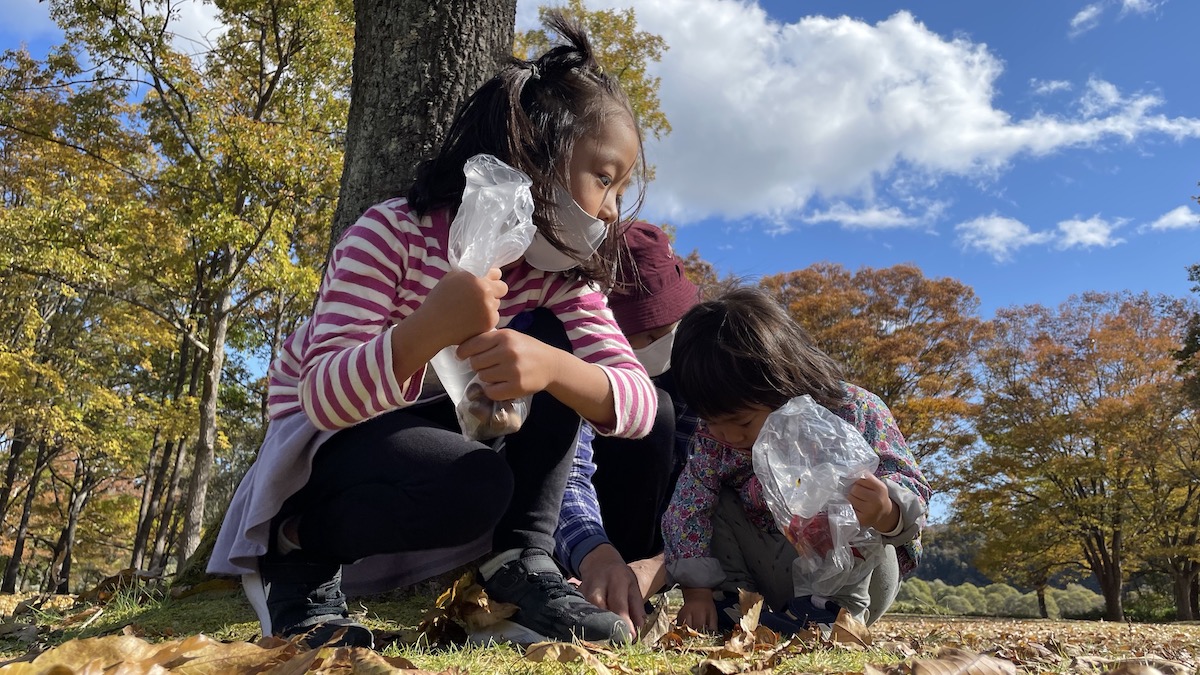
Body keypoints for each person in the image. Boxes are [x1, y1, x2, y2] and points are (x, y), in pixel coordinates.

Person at [208, 12, 657, 649]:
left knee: (553, 354)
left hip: (451, 433)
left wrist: (553, 368)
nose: (612, 208)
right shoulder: (390, 233)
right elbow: (321, 399)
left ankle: (521, 563)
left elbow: (639, 405)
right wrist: (424, 331)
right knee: (473, 484)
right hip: (330, 447)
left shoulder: (561, 281)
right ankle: (296, 551)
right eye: (604, 177)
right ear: (533, 152)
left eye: (622, 187)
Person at [663, 287, 930, 633]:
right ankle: (734, 603)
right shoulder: (715, 442)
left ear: (782, 382)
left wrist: (887, 510)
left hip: (858, 580)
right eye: (713, 422)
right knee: (712, 501)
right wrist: (697, 592)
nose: (729, 436)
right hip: (769, 572)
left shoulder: (854, 411)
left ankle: (830, 615)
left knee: (851, 492)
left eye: (743, 422)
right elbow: (687, 509)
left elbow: (910, 486)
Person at [552, 221, 702, 633]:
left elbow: (707, 474)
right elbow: (567, 472)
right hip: (582, 530)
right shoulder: (571, 350)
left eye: (666, 327)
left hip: (662, 539)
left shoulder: (701, 363)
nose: (659, 342)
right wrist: (594, 553)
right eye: (642, 333)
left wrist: (669, 563)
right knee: (654, 414)